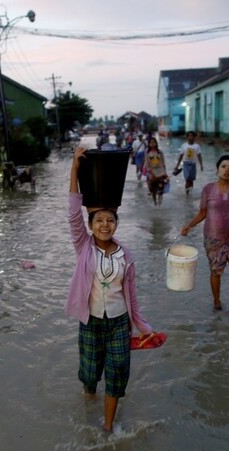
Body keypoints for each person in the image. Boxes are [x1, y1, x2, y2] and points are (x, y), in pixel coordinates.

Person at [66, 146, 156, 434]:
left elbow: (133, 299)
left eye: (110, 220)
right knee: (90, 374)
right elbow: (72, 213)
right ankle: (89, 395)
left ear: (116, 223)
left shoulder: (126, 256)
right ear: (91, 225)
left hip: (119, 322)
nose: (105, 225)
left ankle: (107, 425)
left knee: (118, 372)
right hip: (91, 321)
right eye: (99, 220)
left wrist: (143, 327)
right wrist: (75, 168)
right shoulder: (84, 247)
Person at [180, 154, 229, 311]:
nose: (227, 170)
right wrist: (189, 225)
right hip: (213, 238)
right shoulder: (208, 189)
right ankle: (216, 300)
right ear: (217, 169)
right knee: (216, 271)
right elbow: (203, 213)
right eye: (223, 166)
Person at [143, 137, 169, 206]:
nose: (152, 144)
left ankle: (160, 203)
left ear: (156, 143)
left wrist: (165, 173)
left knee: (161, 188)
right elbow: (147, 165)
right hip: (152, 172)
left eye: (154, 142)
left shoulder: (160, 152)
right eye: (151, 142)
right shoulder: (147, 153)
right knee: (153, 189)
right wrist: (151, 173)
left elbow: (163, 163)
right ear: (149, 144)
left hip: (160, 172)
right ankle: (155, 203)